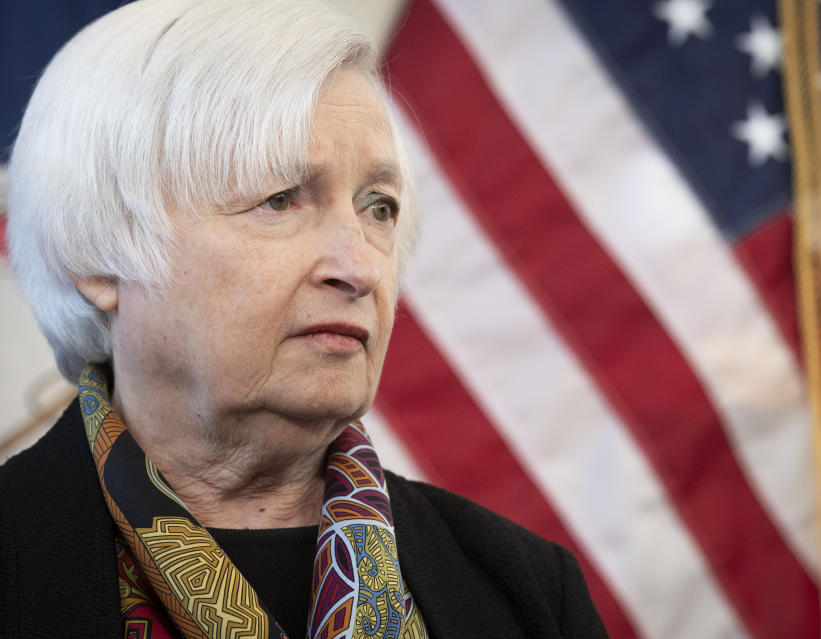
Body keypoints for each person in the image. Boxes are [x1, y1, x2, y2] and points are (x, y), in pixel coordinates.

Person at [0, 0, 609, 637]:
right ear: (96, 256)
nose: (362, 267)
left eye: (379, 207)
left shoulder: (531, 592)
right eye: (281, 199)